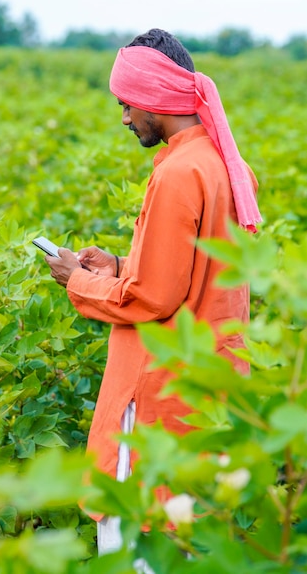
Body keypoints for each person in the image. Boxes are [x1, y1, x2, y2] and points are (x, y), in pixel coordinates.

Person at [45, 28, 261, 564]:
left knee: (141, 542)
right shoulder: (222, 164)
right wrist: (118, 265)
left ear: (155, 98)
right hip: (208, 388)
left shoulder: (178, 173)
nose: (124, 118)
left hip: (160, 391)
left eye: (126, 104)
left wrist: (79, 280)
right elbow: (197, 273)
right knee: (197, 537)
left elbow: (154, 300)